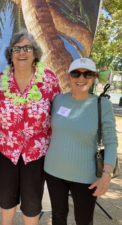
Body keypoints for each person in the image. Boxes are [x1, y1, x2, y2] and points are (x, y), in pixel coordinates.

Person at [0, 29, 61, 225]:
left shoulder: (49, 80)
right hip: (5, 150)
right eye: (17, 48)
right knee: (6, 198)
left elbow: (60, 112)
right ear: (10, 54)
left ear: (34, 53)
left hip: (36, 152)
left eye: (27, 48)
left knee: (32, 201)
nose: (21, 52)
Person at [44, 58, 118, 225]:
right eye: (76, 73)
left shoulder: (102, 104)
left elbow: (111, 141)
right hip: (53, 171)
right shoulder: (58, 100)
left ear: (94, 78)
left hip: (86, 176)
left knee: (84, 221)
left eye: (88, 74)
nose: (81, 78)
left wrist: (106, 175)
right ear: (69, 77)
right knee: (58, 217)